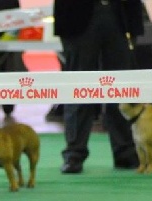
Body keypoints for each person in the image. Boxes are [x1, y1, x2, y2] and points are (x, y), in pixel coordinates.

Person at [54, 0, 146, 174]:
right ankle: (74, 154)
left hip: (118, 14)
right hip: (77, 17)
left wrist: (135, 25)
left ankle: (125, 152)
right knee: (79, 88)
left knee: (121, 88)